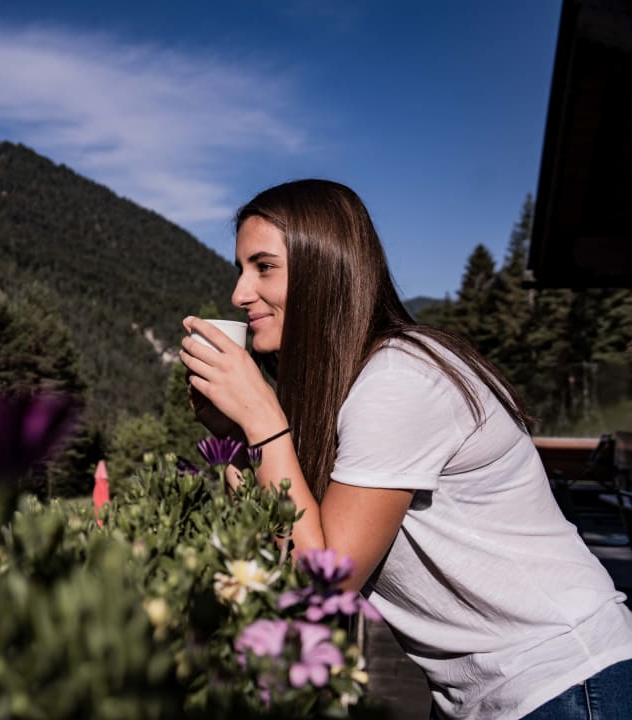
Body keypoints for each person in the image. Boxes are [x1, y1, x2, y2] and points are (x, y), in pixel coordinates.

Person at [179, 179, 632, 719]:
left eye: (264, 267)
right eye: (240, 269)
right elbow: (279, 551)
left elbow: (326, 578)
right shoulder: (342, 388)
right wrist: (233, 440)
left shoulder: (399, 378)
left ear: (325, 269)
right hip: (492, 695)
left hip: (565, 681)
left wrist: (263, 421)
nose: (239, 293)